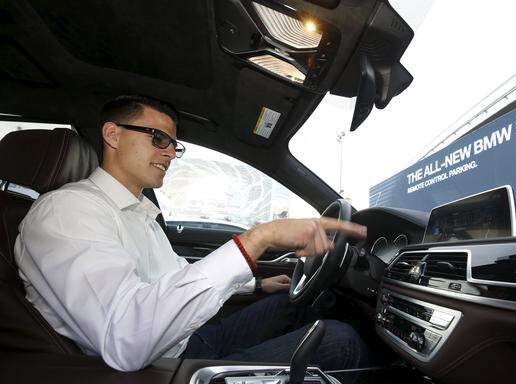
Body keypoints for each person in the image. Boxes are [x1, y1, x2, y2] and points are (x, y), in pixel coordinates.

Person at [14, 95, 369, 372]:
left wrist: (255, 285)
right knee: (340, 341)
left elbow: (175, 276)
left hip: (184, 341)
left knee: (300, 302)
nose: (170, 153)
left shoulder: (135, 213)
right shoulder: (65, 213)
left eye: (173, 145)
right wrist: (258, 237)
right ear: (113, 135)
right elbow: (124, 338)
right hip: (161, 367)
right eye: (158, 139)